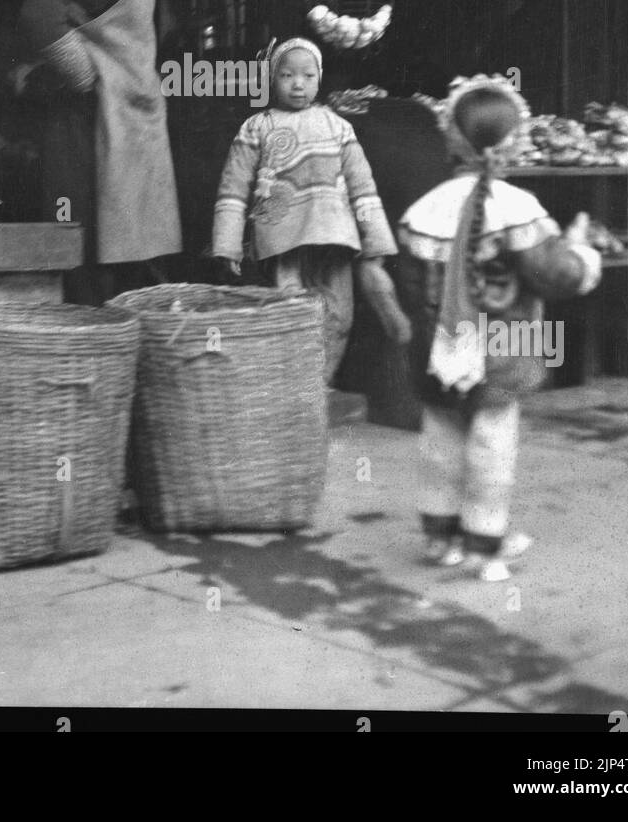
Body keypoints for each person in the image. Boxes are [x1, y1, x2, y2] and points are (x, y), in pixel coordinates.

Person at [395, 74, 603, 582]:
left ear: (451, 141)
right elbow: (554, 276)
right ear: (511, 144)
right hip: (504, 347)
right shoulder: (519, 209)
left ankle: (440, 538)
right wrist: (581, 252)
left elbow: (406, 286)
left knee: (441, 439)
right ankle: (484, 543)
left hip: (437, 350)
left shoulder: (423, 210)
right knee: (492, 444)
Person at [16, 0, 208, 302]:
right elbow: (39, 18)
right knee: (80, 255)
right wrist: (90, 79)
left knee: (127, 261)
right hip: (82, 122)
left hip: (132, 119)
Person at [211, 36, 411, 382]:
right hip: (283, 241)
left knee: (337, 315)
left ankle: (322, 383)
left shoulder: (338, 127)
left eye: (307, 76)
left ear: (319, 79)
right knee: (290, 313)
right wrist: (227, 243)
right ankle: (294, 386)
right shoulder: (257, 128)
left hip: (334, 238)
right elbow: (234, 188)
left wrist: (376, 242)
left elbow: (363, 188)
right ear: (272, 81)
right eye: (287, 75)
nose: (298, 84)